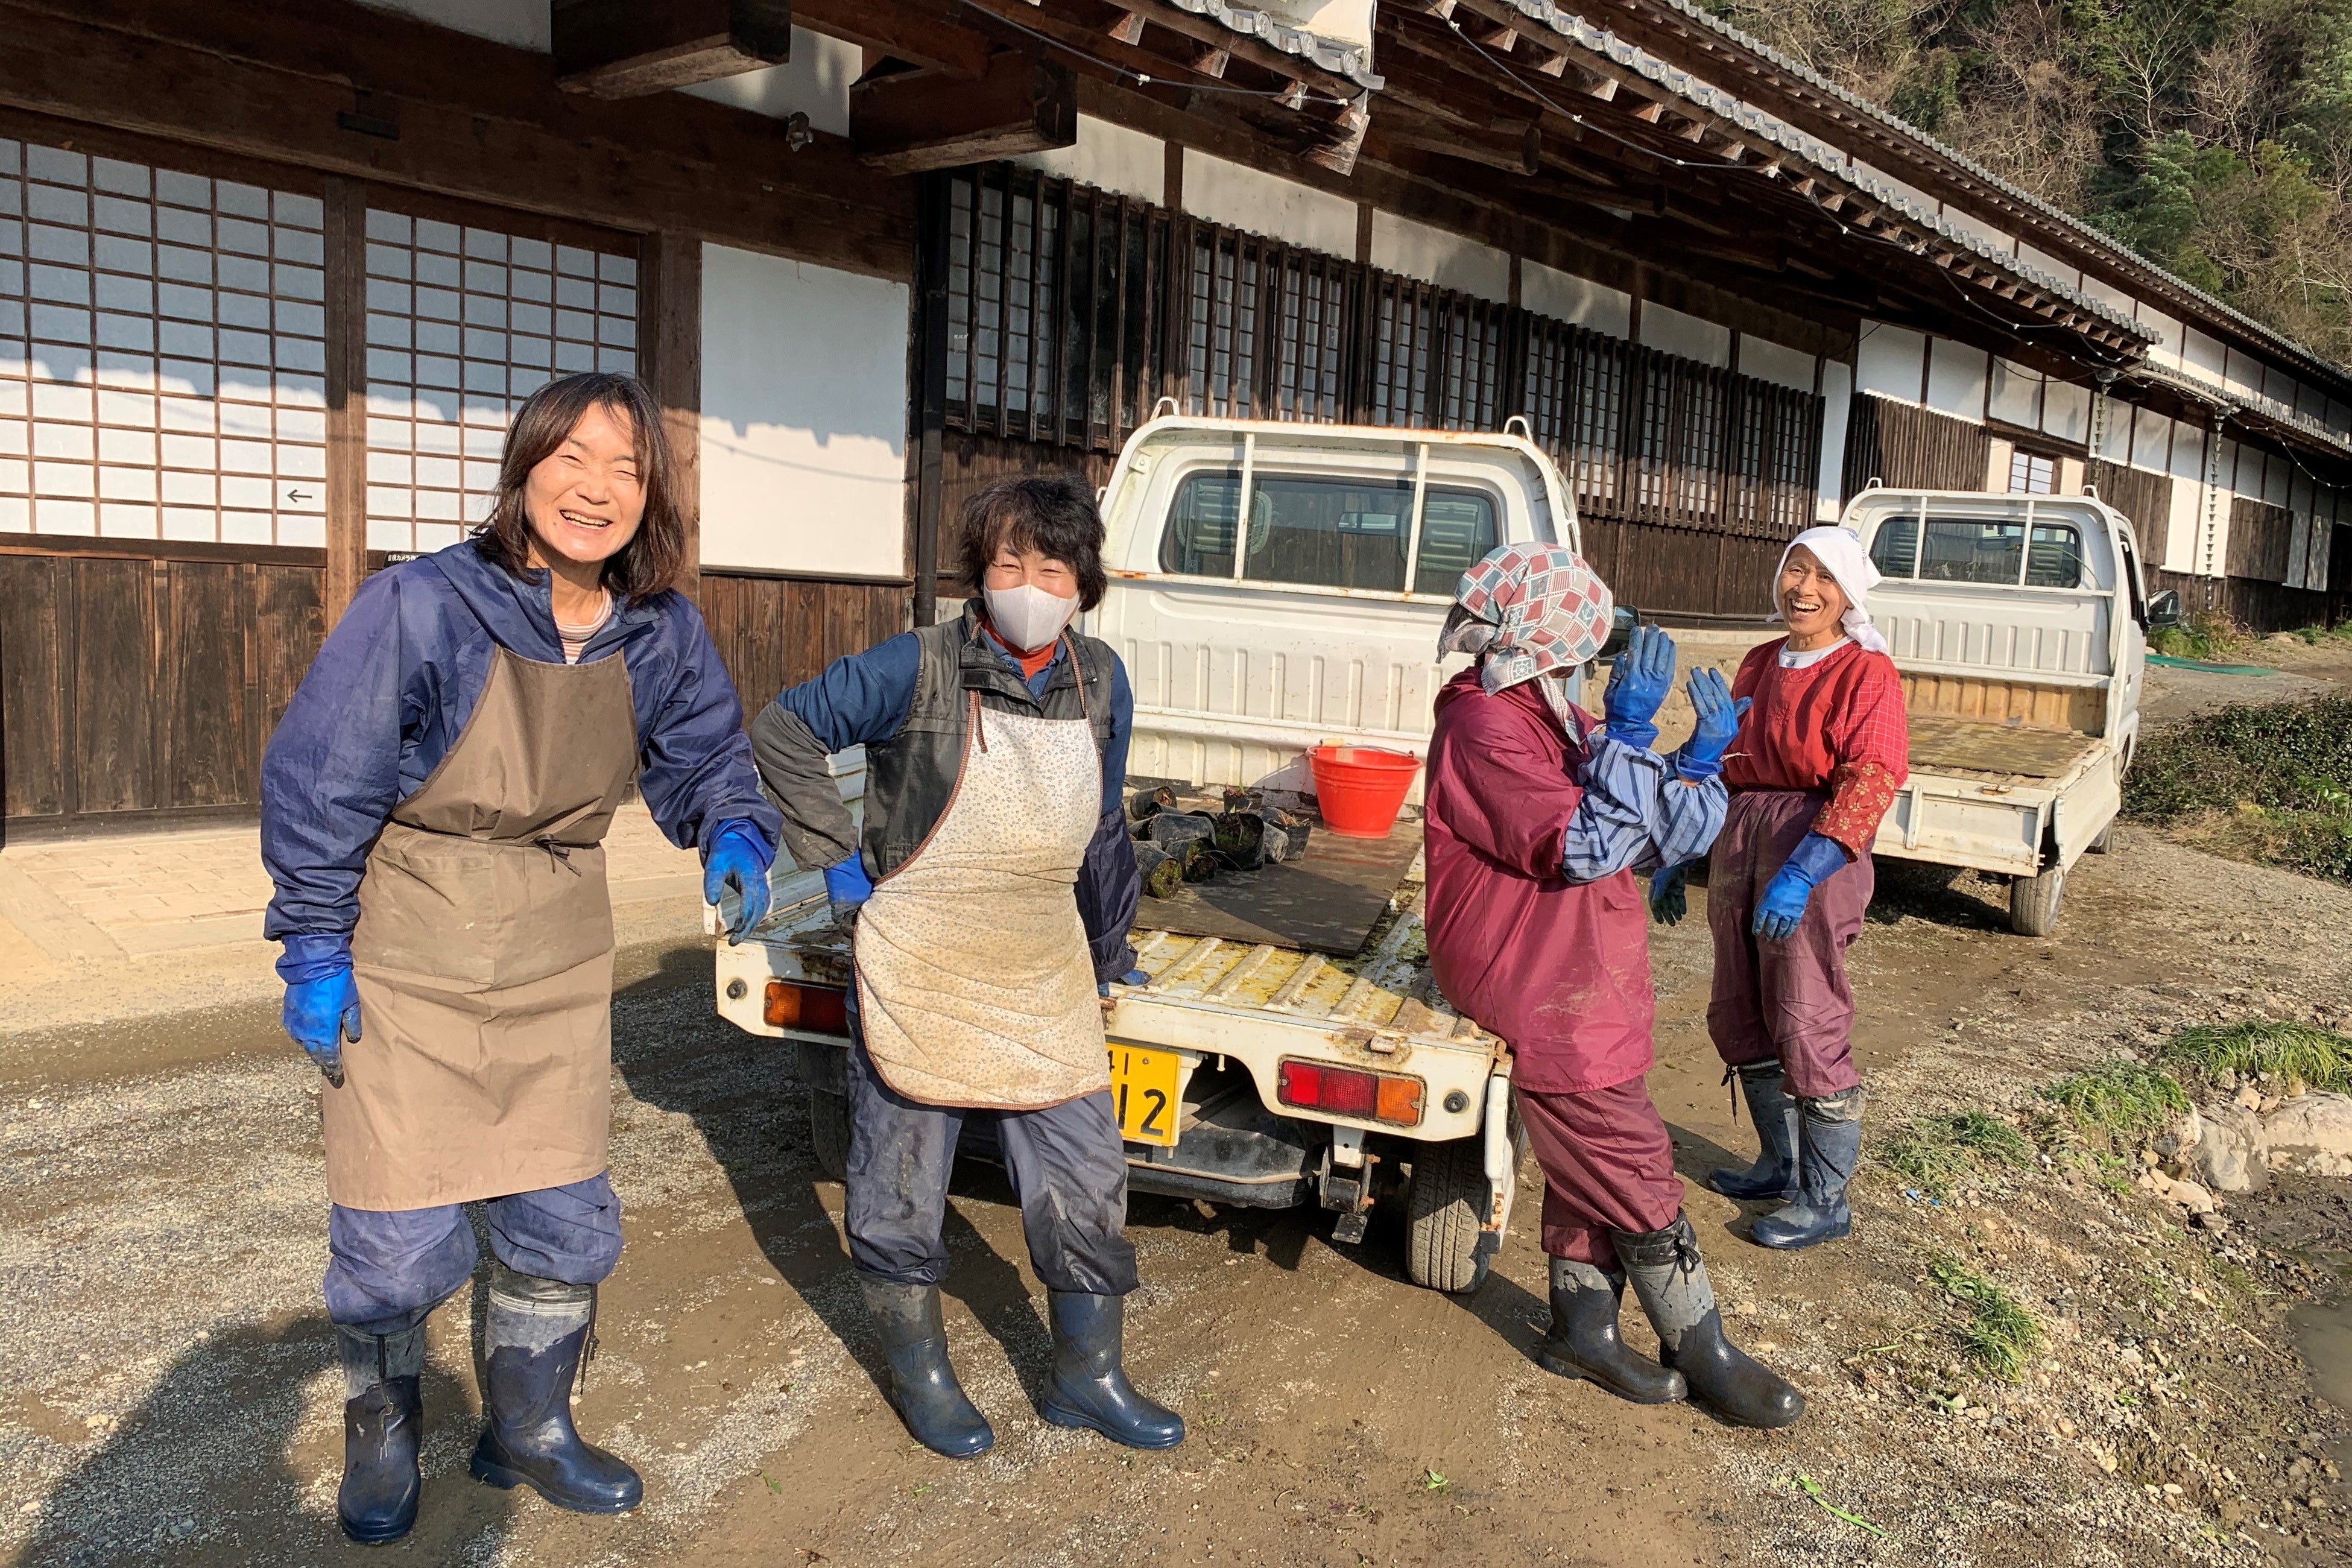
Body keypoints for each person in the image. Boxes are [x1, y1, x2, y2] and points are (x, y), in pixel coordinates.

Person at [260, 372, 780, 1543]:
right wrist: (311, 943)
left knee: (561, 1223)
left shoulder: (659, 628)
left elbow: (703, 758)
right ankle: (384, 1436)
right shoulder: (425, 606)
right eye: (573, 459)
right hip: (407, 950)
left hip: (554, 955)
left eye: (627, 469)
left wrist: (733, 829)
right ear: (525, 467)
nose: (596, 490)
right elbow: (322, 778)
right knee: (395, 1246)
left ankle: (530, 1428)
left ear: (652, 499)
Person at [748, 475, 1179, 1459]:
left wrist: (1109, 952)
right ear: (980, 575)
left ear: (1084, 581)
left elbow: (1104, 829)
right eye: (1007, 562)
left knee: (1083, 1173)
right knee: (899, 1178)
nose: (1029, 582)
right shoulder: (921, 666)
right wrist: (839, 865)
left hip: (1041, 961)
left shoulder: (1102, 679)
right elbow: (785, 730)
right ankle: (924, 1377)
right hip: (921, 956)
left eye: (1052, 564)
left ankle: (1090, 1373)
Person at [1423, 543, 1804, 1429]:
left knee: (1586, 1165)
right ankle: (1699, 1344)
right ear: (1548, 636)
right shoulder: (1487, 725)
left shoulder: (1552, 712)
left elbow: (1657, 833)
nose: (1596, 664)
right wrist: (1633, 743)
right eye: (1587, 645)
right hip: (1530, 966)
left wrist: (1701, 764)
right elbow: (1589, 843)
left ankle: (1580, 1332)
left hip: (1577, 963)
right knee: (1633, 1164)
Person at [1672, 526, 1909, 1250]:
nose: (1803, 590)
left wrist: (1806, 867)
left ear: (1848, 594)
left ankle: (1826, 1195)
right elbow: (1720, 754)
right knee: (1739, 1006)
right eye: (1795, 572)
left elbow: (1873, 773)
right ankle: (1778, 1162)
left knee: (1805, 1012)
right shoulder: (1757, 660)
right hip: (1743, 835)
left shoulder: (1865, 671)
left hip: (1812, 840)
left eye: (1823, 579)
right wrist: (1683, 847)